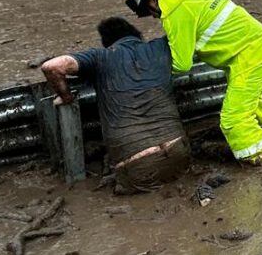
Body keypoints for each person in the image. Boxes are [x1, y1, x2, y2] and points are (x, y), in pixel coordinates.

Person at [125, 0, 262, 164]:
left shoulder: (175, 12)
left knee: (233, 119)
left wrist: (150, 68)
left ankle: (259, 159)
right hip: (255, 46)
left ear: (151, 2)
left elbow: (182, 64)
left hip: (249, 56)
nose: (155, 17)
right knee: (249, 97)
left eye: (150, 13)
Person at [40, 18, 189, 194]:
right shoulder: (161, 46)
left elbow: (52, 66)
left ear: (106, 43)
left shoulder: (100, 57)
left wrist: (66, 97)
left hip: (139, 165)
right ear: (138, 35)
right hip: (180, 152)